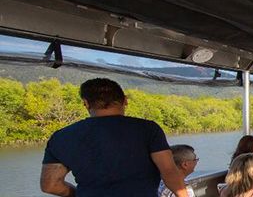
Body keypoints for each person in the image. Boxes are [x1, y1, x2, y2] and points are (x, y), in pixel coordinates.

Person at [40, 78, 188, 197]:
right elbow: (169, 171)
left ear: (85, 103)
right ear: (125, 100)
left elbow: (50, 185)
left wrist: (79, 194)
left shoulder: (61, 137)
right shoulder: (147, 129)